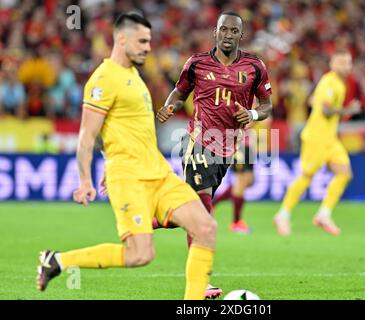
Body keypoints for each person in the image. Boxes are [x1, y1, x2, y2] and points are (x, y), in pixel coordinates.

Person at [36, 12, 217, 300]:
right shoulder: (104, 79)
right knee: (140, 255)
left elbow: (126, 128)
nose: (148, 47)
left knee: (206, 228)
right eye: (142, 41)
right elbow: (86, 136)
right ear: (122, 38)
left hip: (159, 174)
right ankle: (57, 261)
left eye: (150, 41)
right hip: (129, 179)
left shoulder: (133, 75)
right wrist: (85, 180)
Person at [156, 11, 272, 298]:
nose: (228, 35)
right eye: (224, 29)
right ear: (215, 32)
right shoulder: (196, 64)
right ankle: (199, 282)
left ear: (240, 35)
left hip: (228, 147)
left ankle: (145, 218)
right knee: (203, 216)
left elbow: (268, 104)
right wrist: (170, 106)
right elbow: (179, 92)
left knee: (193, 213)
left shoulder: (255, 67)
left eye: (234, 31)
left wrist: (253, 113)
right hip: (199, 142)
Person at [274, 50, 361, 237]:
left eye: (348, 63)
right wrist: (347, 110)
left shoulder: (336, 83)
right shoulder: (330, 82)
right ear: (333, 64)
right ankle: (283, 214)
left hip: (330, 138)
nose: (346, 66)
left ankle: (324, 214)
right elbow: (326, 110)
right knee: (306, 177)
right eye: (342, 62)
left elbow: (314, 100)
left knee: (344, 173)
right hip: (317, 138)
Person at [212, 128, 256, 234]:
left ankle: (213, 204)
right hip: (239, 145)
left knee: (249, 180)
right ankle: (236, 223)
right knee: (241, 182)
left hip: (247, 145)